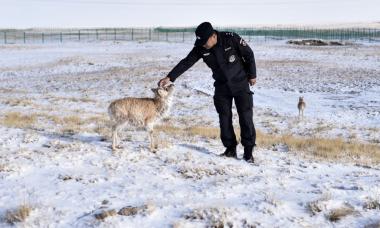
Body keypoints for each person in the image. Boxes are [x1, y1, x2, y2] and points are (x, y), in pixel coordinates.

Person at [158, 22, 257, 163]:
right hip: (222, 86)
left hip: (240, 83)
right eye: (201, 42)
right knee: (224, 118)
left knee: (245, 118)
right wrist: (170, 77)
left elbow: (249, 54)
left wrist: (252, 75)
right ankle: (230, 149)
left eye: (205, 42)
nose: (203, 45)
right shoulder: (200, 47)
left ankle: (248, 153)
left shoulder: (230, 38)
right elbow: (187, 62)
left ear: (213, 36)